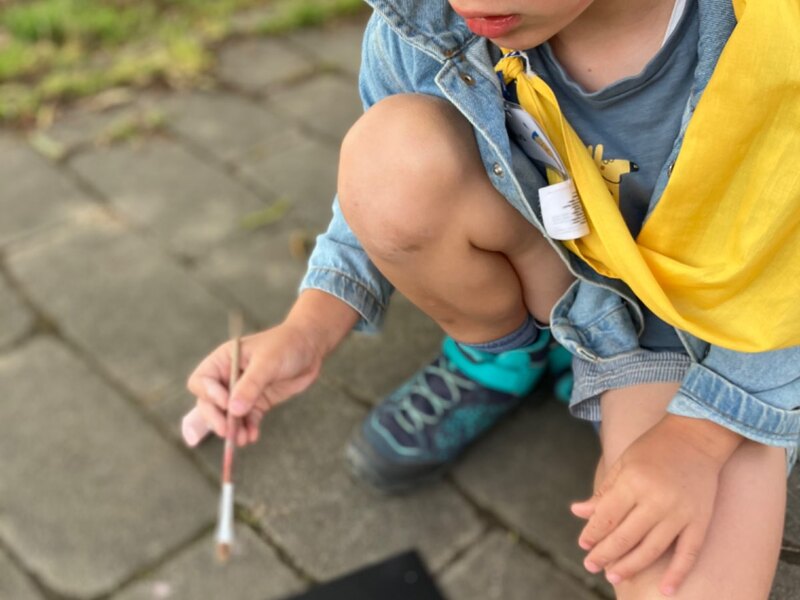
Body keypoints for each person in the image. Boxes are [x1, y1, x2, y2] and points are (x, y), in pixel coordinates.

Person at [187, 0, 800, 598]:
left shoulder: (775, 37)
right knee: (392, 156)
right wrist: (308, 328)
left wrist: (699, 438)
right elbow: (367, 195)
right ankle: (511, 357)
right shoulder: (431, 15)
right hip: (572, 282)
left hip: (718, 339)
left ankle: (586, 370)